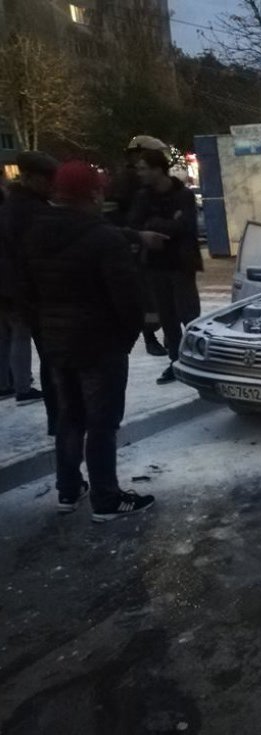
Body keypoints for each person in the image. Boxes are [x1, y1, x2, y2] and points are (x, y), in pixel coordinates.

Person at [22, 161, 153, 520]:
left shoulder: (34, 233)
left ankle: (68, 489)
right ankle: (106, 499)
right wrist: (125, 338)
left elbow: (27, 290)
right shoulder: (104, 237)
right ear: (92, 194)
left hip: (56, 343)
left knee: (69, 417)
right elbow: (128, 299)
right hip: (100, 345)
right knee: (101, 423)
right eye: (98, 190)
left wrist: (47, 327)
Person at [128, 148, 202, 385]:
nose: (139, 173)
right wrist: (168, 223)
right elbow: (134, 225)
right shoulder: (143, 197)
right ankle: (175, 361)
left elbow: (187, 227)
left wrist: (153, 224)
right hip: (155, 265)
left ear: (158, 169)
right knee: (167, 317)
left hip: (181, 263)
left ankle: (199, 358)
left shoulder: (183, 195)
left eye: (143, 169)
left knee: (189, 315)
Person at [0, 152, 58, 413]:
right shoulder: (29, 210)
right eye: (47, 179)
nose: (52, 185)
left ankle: (10, 383)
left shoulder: (13, 205)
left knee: (11, 336)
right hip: (23, 290)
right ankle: (23, 387)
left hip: (12, 287)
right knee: (25, 338)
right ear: (31, 178)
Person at [106, 135, 170, 357]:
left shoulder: (142, 179)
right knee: (147, 296)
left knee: (158, 294)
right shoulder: (127, 181)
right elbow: (115, 215)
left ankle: (166, 333)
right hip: (137, 246)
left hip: (148, 243)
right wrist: (132, 238)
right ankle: (150, 336)